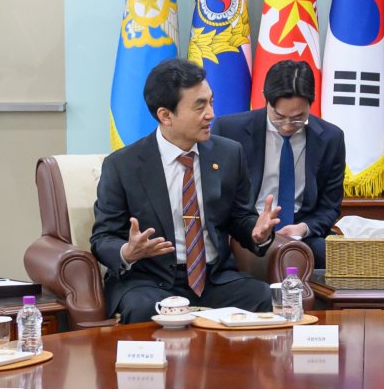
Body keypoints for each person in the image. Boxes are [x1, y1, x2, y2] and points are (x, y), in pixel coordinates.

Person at [90, 59, 278, 324]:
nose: (211, 114)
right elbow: (103, 237)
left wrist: (257, 234)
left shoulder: (229, 154)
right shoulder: (123, 166)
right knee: (142, 309)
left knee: (264, 298)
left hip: (214, 279)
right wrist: (127, 252)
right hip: (150, 281)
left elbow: (239, 218)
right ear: (165, 115)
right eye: (200, 106)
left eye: (211, 102)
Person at [212, 60, 345, 269]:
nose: (287, 126)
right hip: (245, 230)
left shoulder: (330, 138)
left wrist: (304, 228)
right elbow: (216, 196)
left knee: (335, 259)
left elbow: (330, 206)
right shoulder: (229, 131)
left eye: (298, 118)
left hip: (300, 234)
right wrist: (249, 227)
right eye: (279, 117)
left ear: (312, 102)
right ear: (266, 99)